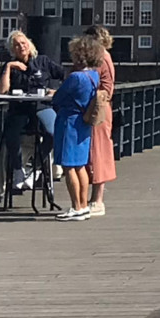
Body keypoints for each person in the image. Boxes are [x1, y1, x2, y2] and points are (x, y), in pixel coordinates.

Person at [0, 31, 54, 196]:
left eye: (23, 43)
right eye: (16, 45)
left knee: (54, 132)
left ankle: (36, 170)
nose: (21, 46)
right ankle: (17, 169)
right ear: (12, 49)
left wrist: (55, 92)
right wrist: (9, 67)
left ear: (29, 43)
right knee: (11, 133)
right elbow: (2, 91)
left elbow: (64, 76)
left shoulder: (43, 62)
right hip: (20, 109)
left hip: (42, 106)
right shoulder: (11, 65)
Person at [52, 37, 103, 219]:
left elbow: (57, 98)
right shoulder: (94, 76)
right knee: (80, 165)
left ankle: (76, 206)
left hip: (69, 122)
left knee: (68, 166)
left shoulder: (75, 77)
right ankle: (83, 205)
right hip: (84, 123)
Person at [84, 23, 118, 218]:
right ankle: (91, 199)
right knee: (93, 152)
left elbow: (107, 87)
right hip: (93, 108)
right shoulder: (96, 57)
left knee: (98, 152)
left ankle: (97, 200)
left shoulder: (102, 57)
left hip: (99, 111)